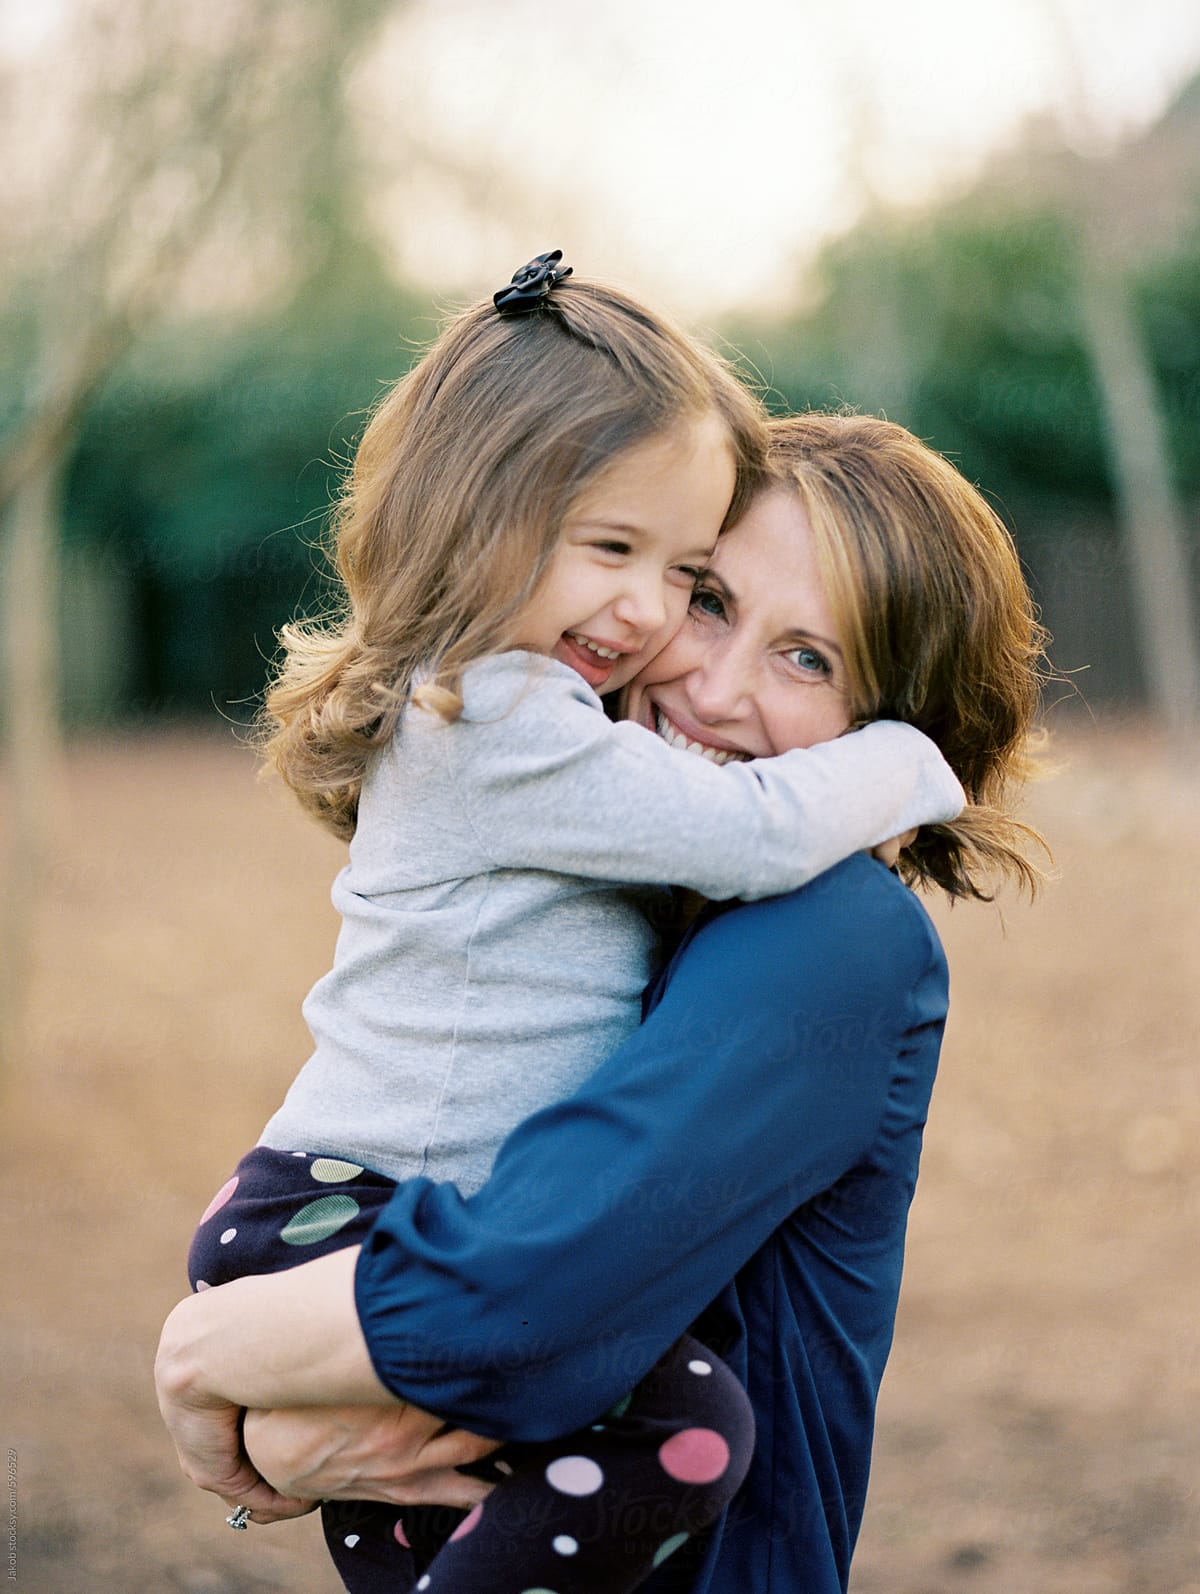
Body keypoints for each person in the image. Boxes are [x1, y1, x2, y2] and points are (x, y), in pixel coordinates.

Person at [177, 254, 967, 1594]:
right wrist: (273, 1401)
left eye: (808, 656)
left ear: (884, 712)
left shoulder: (829, 938)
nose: (690, 657)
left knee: (686, 1426)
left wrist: (206, 1359)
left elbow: (514, 1304)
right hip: (350, 1227)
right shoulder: (596, 840)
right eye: (710, 596)